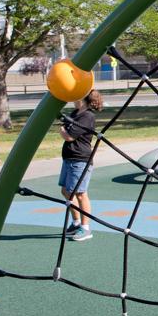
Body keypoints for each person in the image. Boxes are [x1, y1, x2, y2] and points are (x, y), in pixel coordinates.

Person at [59, 89, 102, 242]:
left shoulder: (87, 116)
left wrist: (62, 128)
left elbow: (69, 136)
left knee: (80, 193)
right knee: (66, 191)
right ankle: (76, 222)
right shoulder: (75, 113)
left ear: (82, 97)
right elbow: (66, 127)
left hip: (80, 159)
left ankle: (86, 228)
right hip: (69, 158)